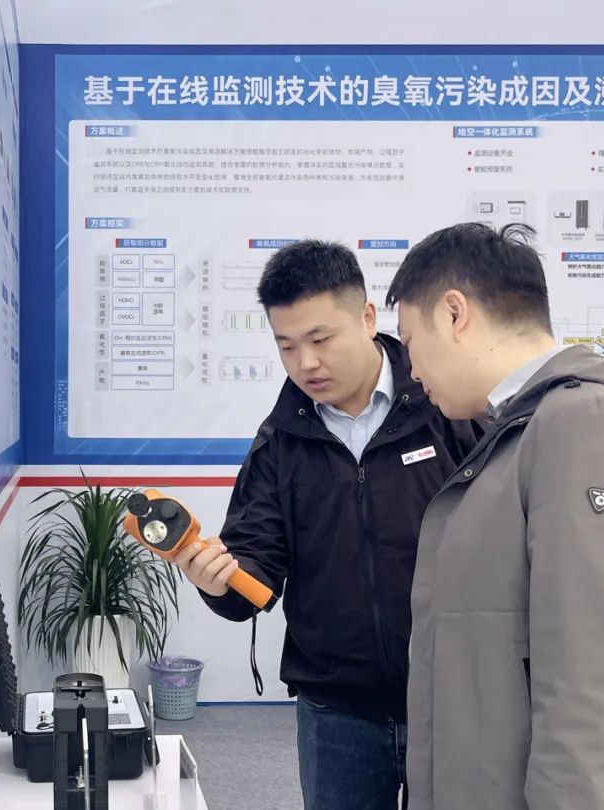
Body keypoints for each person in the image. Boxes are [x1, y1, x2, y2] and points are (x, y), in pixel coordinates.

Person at [385, 222, 604, 810]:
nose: (411, 371)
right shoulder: (528, 430)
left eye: (410, 342)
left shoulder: (590, 425)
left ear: (455, 313)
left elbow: (597, 688)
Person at [174, 239, 479, 810]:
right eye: (286, 346)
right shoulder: (279, 443)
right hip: (336, 711)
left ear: (366, 318)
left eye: (320, 340)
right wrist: (217, 580)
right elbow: (254, 574)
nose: (305, 363)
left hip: (455, 701)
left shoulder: (447, 408)